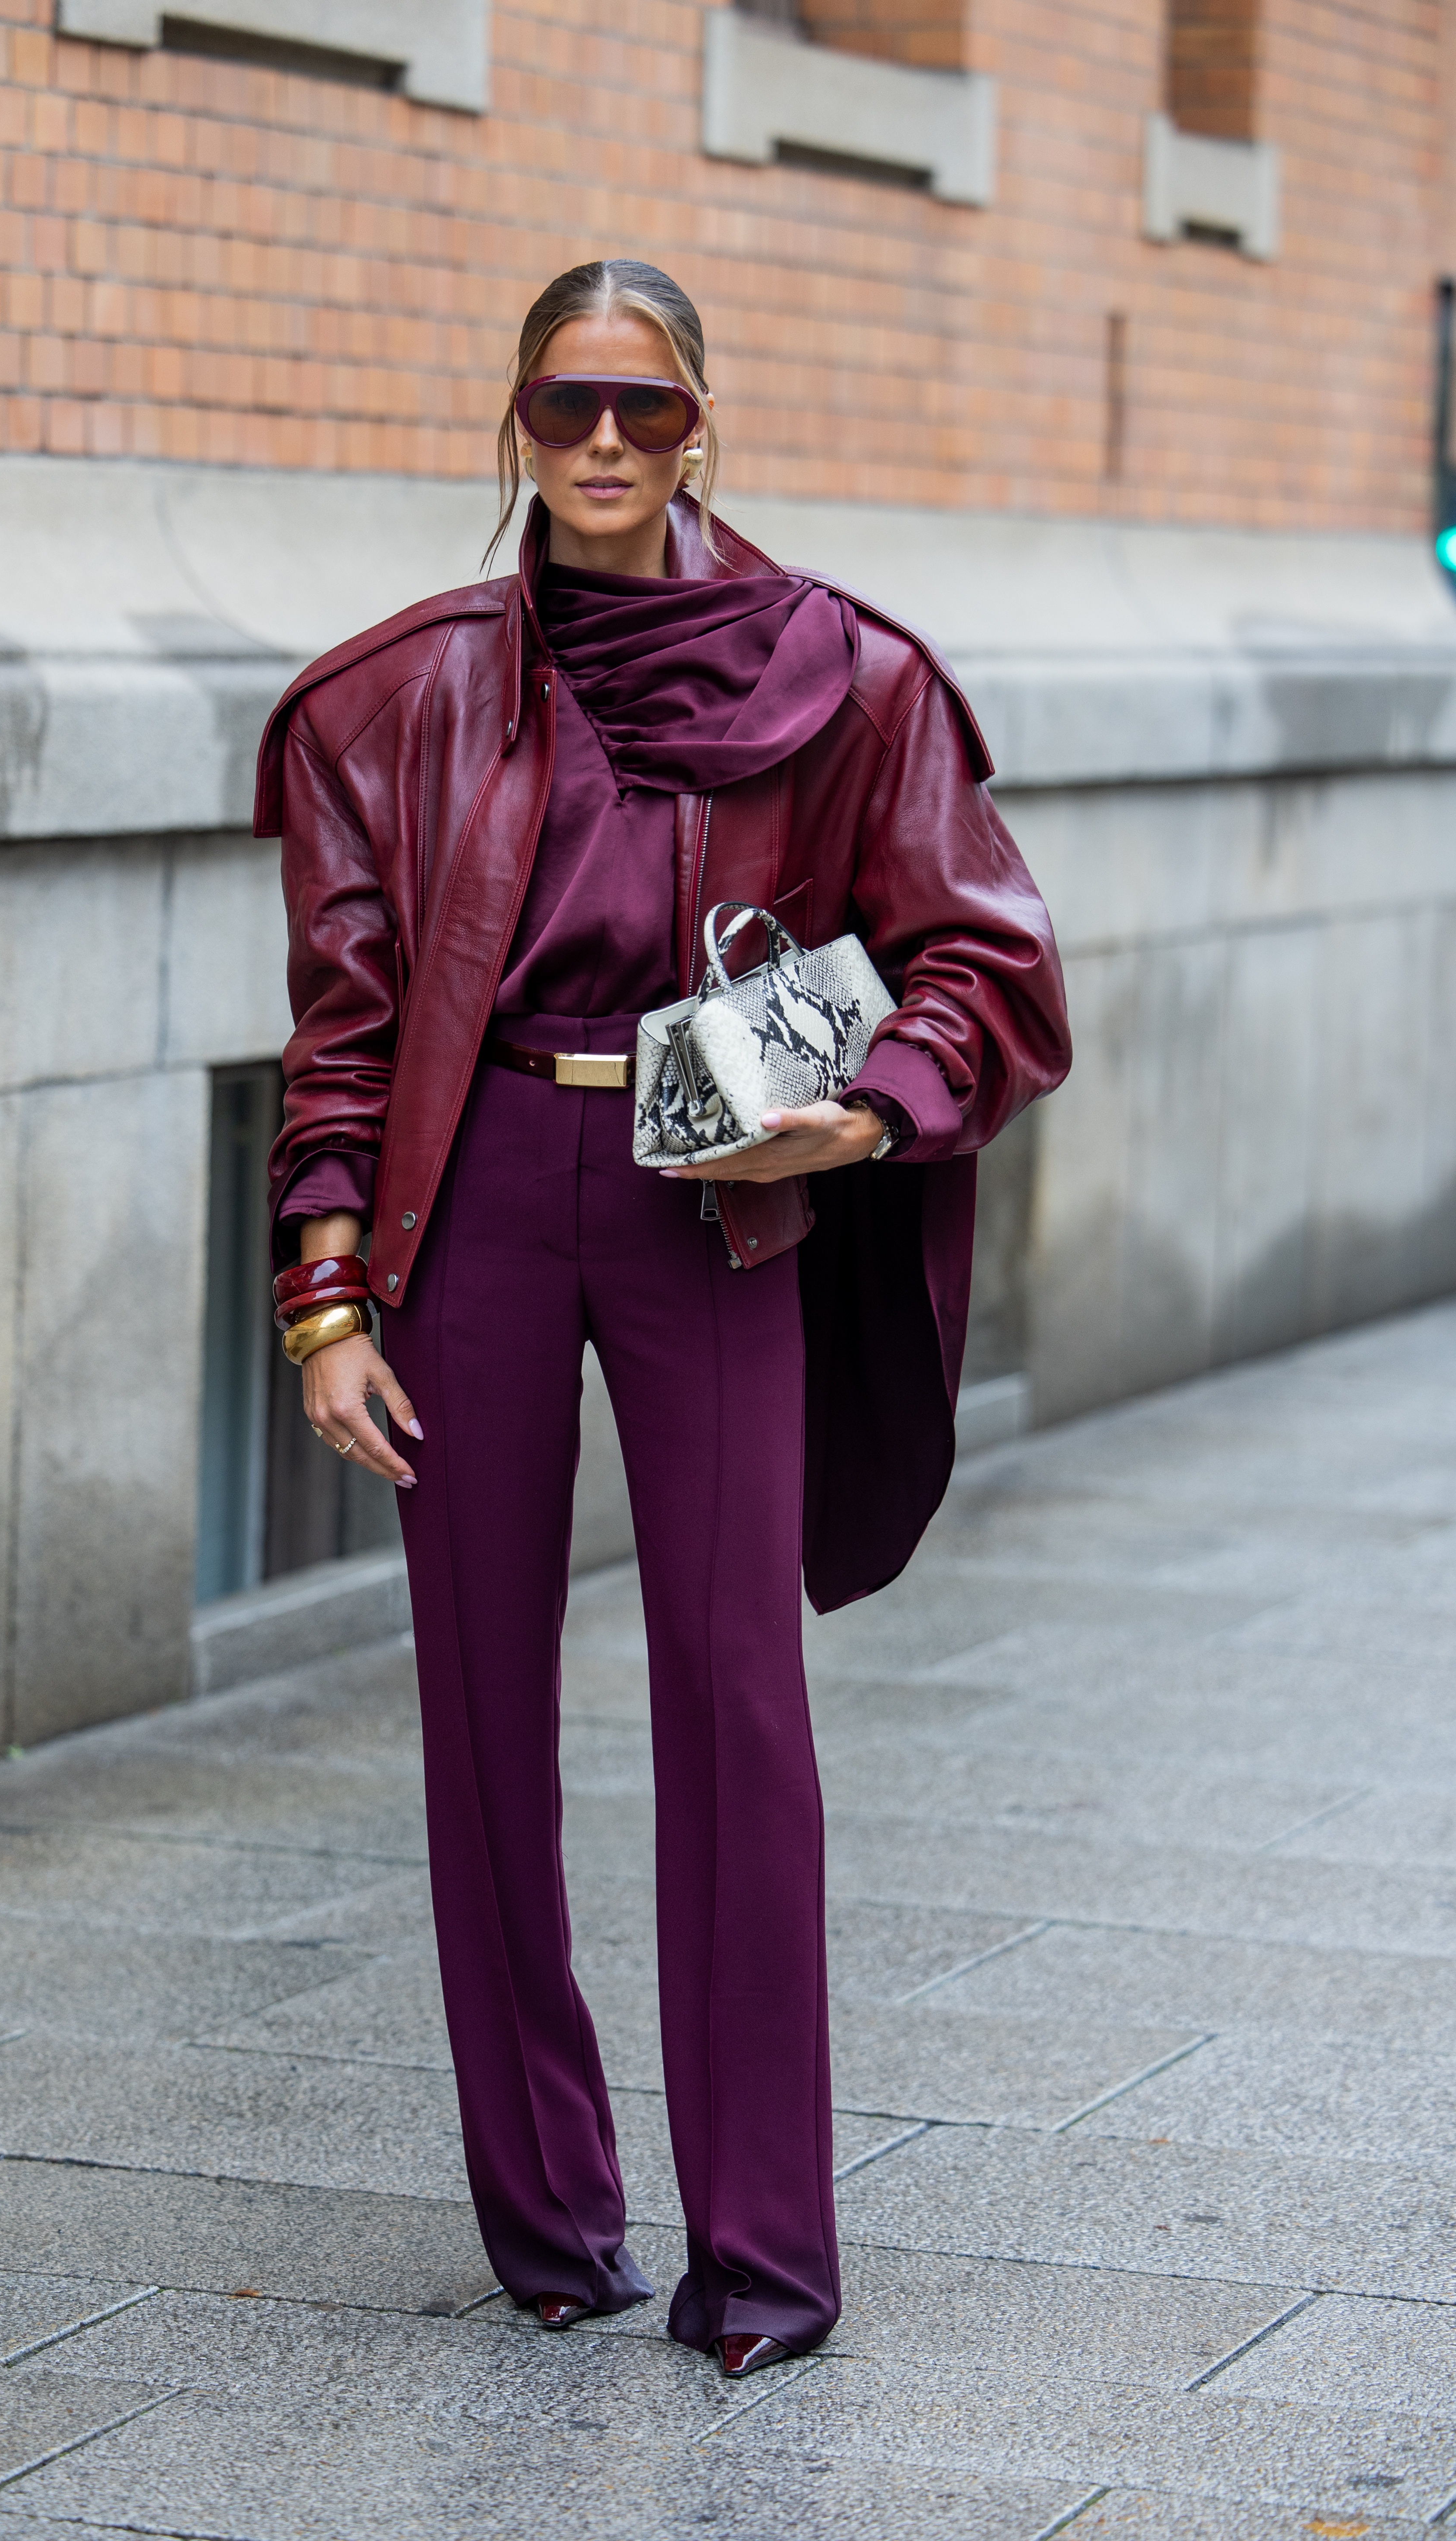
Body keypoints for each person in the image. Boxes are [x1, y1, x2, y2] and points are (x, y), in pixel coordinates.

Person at [253, 259, 1071, 2378]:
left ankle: (764, 2258)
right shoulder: (386, 699)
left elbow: (982, 961)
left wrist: (863, 1117)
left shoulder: (854, 676)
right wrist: (329, 1296)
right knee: (480, 1725)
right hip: (484, 1208)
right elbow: (340, 1042)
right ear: (510, 423)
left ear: (704, 421)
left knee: (735, 1707)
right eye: (561, 409)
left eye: (644, 409)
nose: (603, 448)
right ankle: (546, 2221)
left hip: (727, 1203)